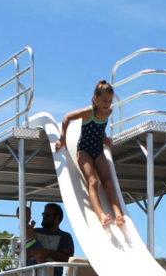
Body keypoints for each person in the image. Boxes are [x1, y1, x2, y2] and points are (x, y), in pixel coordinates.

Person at [54, 80, 126, 227]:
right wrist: (62, 139)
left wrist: (105, 139)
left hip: (98, 150)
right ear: (95, 99)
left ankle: (118, 213)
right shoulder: (88, 112)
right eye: (104, 100)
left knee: (108, 182)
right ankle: (101, 215)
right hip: (84, 150)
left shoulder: (108, 113)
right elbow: (67, 117)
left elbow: (100, 129)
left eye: (110, 100)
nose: (107, 104)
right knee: (93, 181)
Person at [23, 203, 74, 276]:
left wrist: (47, 252)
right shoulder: (34, 232)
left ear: (57, 217)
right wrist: (32, 253)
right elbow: (22, 253)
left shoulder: (65, 237)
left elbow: (68, 259)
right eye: (43, 214)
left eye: (47, 215)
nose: (44, 217)